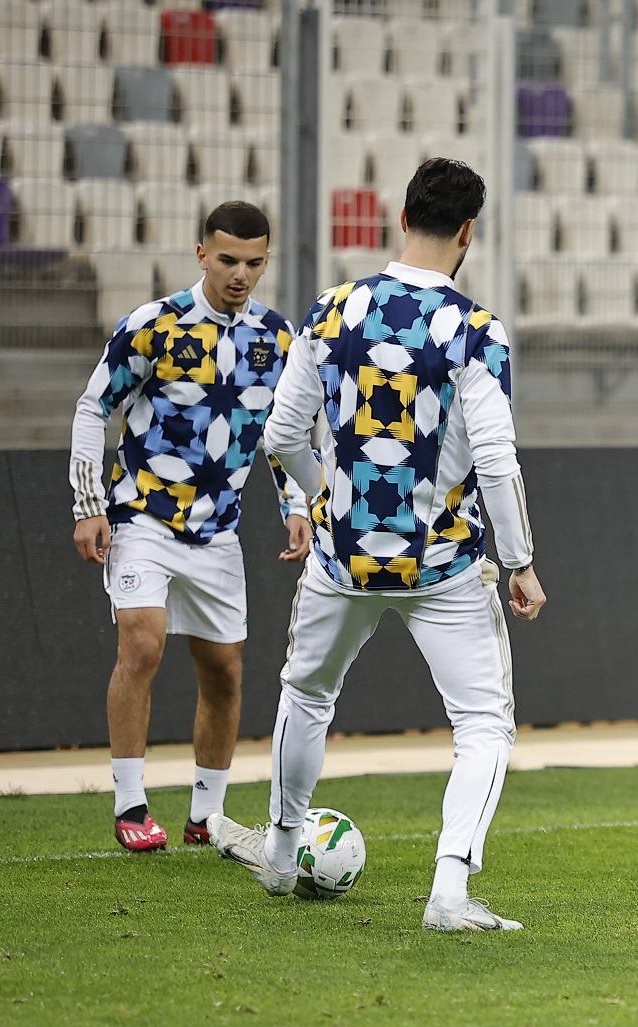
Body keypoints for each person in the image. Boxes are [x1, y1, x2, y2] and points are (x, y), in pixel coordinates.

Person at [206, 159, 548, 932]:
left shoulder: (330, 312)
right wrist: (520, 561)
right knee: (484, 725)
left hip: (340, 557)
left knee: (306, 695)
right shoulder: (473, 330)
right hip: (443, 564)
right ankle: (450, 893)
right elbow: (496, 458)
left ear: (402, 217)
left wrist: (323, 490)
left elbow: (281, 435)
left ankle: (283, 851)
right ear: (468, 231)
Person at [69, 201, 310, 852]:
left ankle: (206, 816)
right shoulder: (154, 324)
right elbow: (96, 408)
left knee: (225, 671)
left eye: (254, 262)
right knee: (143, 645)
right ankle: (129, 803)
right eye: (228, 259)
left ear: (267, 261)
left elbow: (284, 436)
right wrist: (87, 503)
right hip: (142, 514)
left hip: (217, 532)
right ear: (202, 253)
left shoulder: (279, 339)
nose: (240, 274)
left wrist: (297, 504)